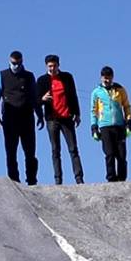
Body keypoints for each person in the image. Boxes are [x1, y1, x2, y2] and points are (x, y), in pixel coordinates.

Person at [0, 50, 42, 185]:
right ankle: (14, 180)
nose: (16, 66)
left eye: (18, 63)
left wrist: (40, 115)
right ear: (9, 61)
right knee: (11, 152)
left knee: (30, 153)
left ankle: (31, 179)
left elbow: (35, 97)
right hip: (10, 119)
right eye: (13, 63)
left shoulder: (29, 76)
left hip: (27, 119)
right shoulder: (1, 75)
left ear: (22, 62)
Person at [36, 55, 84, 185]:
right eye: (50, 66)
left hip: (67, 118)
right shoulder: (42, 80)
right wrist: (42, 99)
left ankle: (79, 178)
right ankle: (58, 180)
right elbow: (35, 101)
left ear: (58, 65)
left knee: (73, 149)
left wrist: (77, 113)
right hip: (52, 119)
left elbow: (73, 95)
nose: (52, 68)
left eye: (54, 66)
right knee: (55, 150)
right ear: (46, 66)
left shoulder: (67, 77)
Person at [90, 66, 131, 182]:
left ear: (112, 78)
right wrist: (94, 127)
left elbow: (127, 106)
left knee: (121, 155)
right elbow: (93, 111)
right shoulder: (96, 92)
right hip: (105, 126)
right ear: (101, 78)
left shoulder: (120, 89)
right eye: (104, 78)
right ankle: (111, 178)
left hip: (119, 126)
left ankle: (122, 179)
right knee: (109, 154)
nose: (106, 80)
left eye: (109, 78)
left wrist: (129, 122)